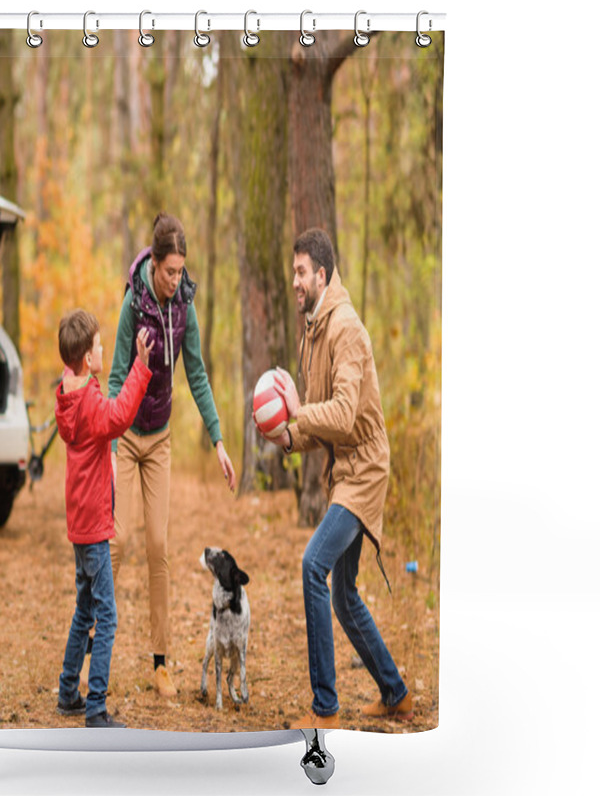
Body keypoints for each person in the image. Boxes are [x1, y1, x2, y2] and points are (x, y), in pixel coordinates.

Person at [264, 228, 412, 729]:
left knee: (313, 566)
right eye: (293, 272)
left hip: (364, 471)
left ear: (322, 274)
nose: (295, 280)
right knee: (345, 596)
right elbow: (318, 421)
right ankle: (394, 691)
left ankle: (325, 708)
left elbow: (344, 414)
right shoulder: (313, 329)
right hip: (343, 469)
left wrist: (300, 415)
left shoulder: (344, 328)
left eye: (302, 271)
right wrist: (289, 436)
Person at [106, 212, 237, 698]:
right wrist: (113, 441)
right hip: (125, 436)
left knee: (157, 547)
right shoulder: (132, 305)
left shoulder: (185, 306)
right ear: (153, 264)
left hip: (159, 439)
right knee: (115, 542)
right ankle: (94, 644)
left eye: (181, 271)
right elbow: (117, 377)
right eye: (169, 271)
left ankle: (160, 662)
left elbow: (197, 375)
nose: (176, 280)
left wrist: (219, 440)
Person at [54, 308, 153, 728]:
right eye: (98, 345)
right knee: (106, 615)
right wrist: (141, 370)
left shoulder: (68, 392)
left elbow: (96, 405)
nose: (103, 349)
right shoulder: (90, 401)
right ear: (86, 358)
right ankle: (95, 707)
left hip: (81, 523)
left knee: (83, 610)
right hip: (93, 524)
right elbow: (117, 418)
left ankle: (66, 692)